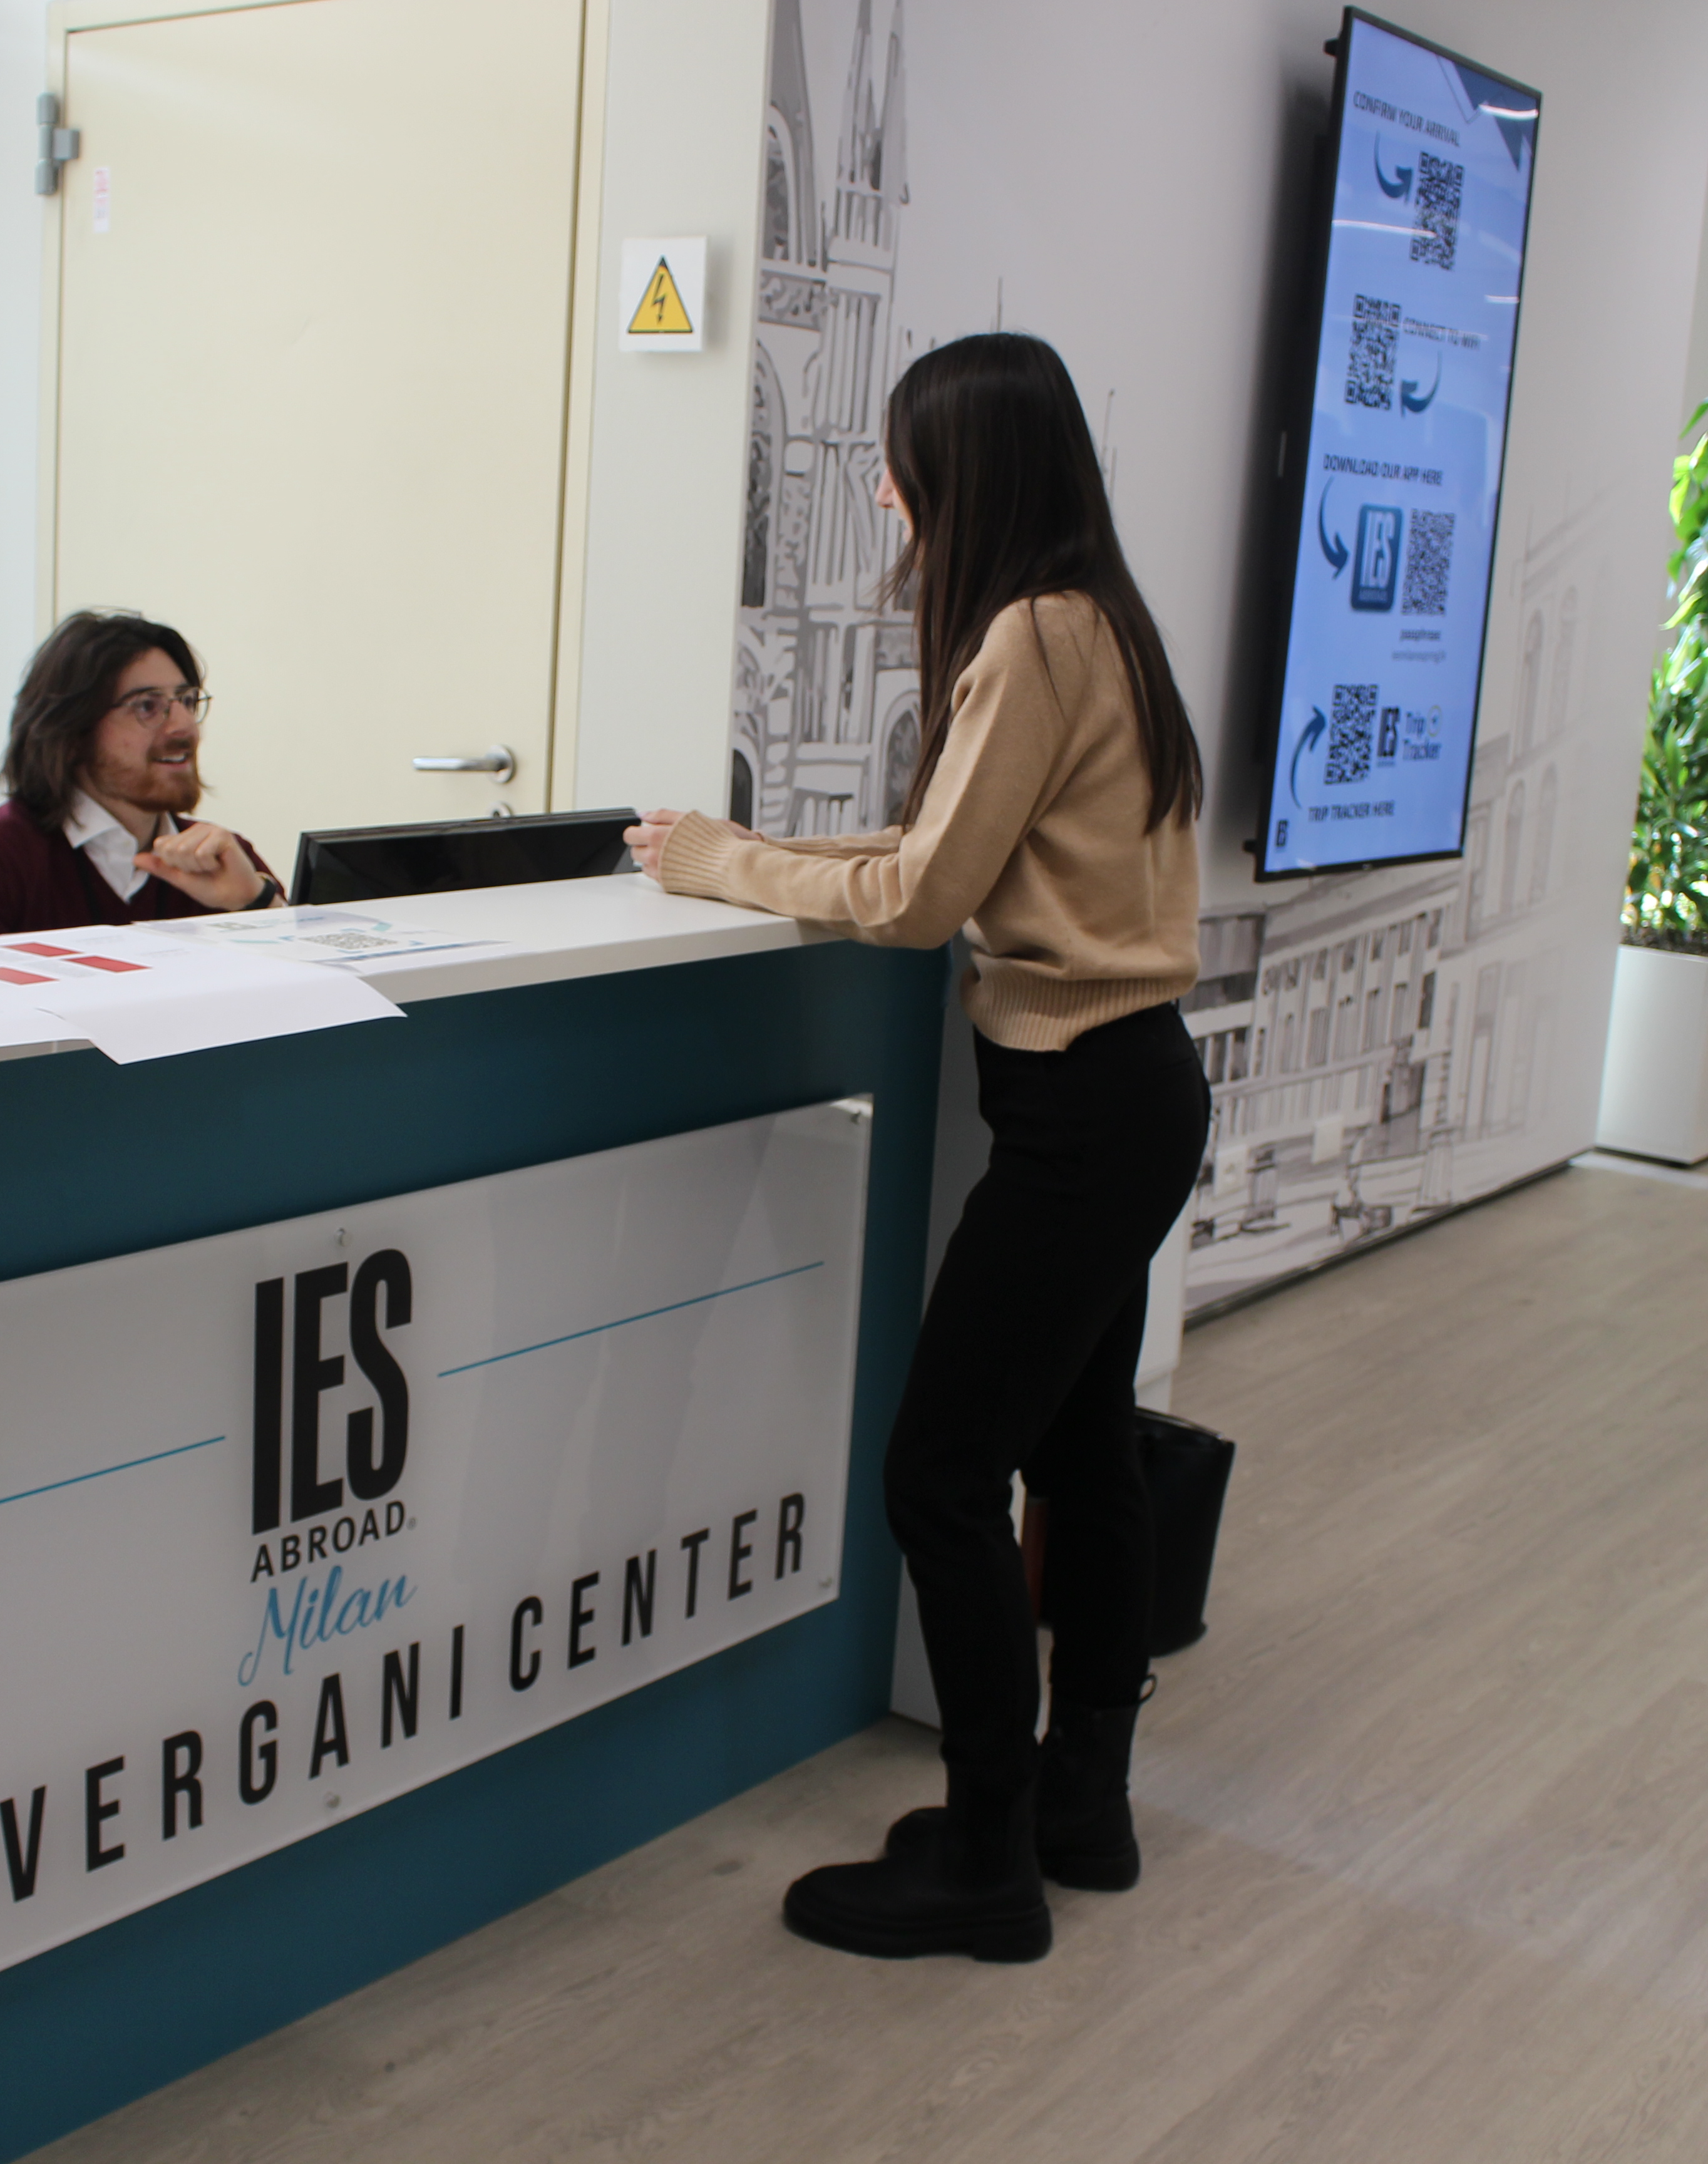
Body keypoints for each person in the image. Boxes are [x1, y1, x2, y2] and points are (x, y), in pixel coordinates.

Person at [625, 333, 1205, 1965]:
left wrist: (722, 864)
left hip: (1081, 1106)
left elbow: (919, 900)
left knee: (939, 1477)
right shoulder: (1104, 623)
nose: (886, 488)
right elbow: (939, 843)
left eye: (902, 462)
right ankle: (1080, 1807)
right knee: (1080, 1460)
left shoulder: (1025, 633)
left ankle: (991, 1861)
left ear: (964, 474)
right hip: (1138, 1087)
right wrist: (737, 848)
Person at [0, 611, 284, 937]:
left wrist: (254, 900)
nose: (185, 726)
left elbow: (318, 998)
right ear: (74, 730)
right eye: (147, 706)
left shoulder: (226, 860)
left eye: (187, 701)